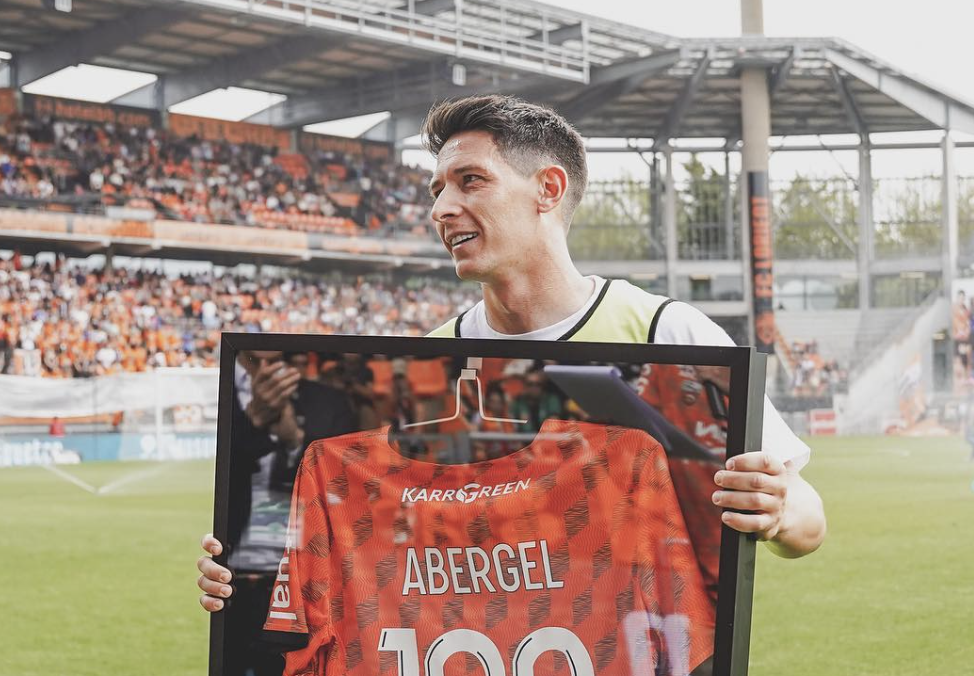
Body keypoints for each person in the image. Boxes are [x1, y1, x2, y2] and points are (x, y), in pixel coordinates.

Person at [198, 95, 825, 612]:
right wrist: (250, 567)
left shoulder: (670, 332)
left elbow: (807, 521)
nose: (441, 209)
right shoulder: (422, 362)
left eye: (471, 181)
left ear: (547, 189)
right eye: (437, 189)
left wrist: (773, 509)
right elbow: (368, 546)